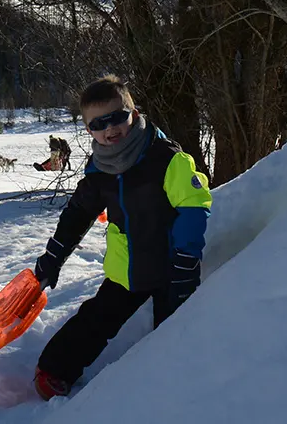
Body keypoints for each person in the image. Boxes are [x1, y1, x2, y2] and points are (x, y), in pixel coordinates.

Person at [31, 76, 213, 400]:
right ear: (89, 130)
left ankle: (170, 392)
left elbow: (194, 205)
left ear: (134, 113)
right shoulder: (99, 167)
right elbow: (78, 213)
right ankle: (55, 369)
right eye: (99, 123)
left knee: (173, 333)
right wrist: (53, 256)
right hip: (127, 269)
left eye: (117, 116)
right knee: (96, 320)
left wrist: (186, 259)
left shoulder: (165, 158)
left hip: (171, 267)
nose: (110, 128)